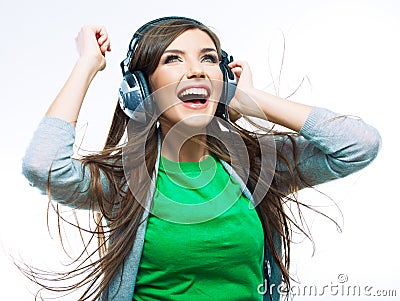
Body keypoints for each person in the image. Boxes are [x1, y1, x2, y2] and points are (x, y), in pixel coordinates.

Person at [21, 16, 381, 301]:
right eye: (173, 59)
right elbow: (44, 166)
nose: (196, 70)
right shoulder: (122, 183)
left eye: (208, 59)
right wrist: (87, 64)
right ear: (141, 89)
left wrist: (250, 98)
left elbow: (358, 145)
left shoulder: (256, 169)